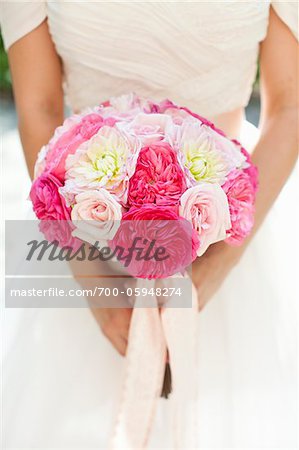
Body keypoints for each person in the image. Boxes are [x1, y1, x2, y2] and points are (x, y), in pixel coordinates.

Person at [1, 1, 298, 448]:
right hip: (83, 236)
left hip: (232, 240)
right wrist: (94, 283)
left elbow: (291, 105)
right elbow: (39, 106)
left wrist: (210, 272)